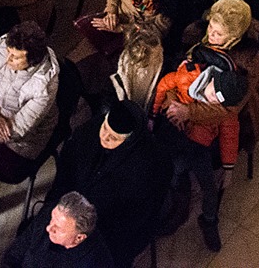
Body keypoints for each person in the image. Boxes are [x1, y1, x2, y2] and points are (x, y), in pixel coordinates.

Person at [152, 0, 259, 252]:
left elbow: (228, 113)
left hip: (208, 126)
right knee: (169, 163)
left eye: (219, 34)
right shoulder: (197, 45)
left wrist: (189, 113)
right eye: (211, 28)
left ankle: (207, 218)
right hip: (180, 117)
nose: (211, 35)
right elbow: (171, 82)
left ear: (233, 38)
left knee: (193, 172)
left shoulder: (245, 62)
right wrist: (172, 108)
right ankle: (171, 204)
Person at [47, 99, 169, 265]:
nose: (104, 137)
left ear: (129, 140)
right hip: (72, 215)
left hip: (110, 230)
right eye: (105, 128)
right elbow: (65, 175)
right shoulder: (88, 132)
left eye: (113, 137)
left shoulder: (148, 166)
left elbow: (137, 219)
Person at [0, 23, 62, 180]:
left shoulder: (45, 84)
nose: (7, 59)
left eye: (16, 57)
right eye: (8, 52)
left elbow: (20, 129)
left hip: (19, 143)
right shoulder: (4, 46)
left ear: (33, 61)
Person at [2, 192, 110, 268]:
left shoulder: (95, 261)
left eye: (58, 228)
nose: (48, 228)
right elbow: (14, 254)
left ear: (79, 238)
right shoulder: (48, 216)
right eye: (52, 220)